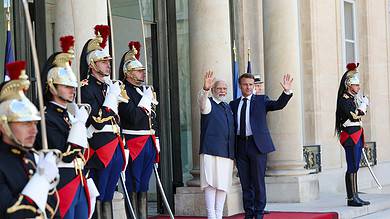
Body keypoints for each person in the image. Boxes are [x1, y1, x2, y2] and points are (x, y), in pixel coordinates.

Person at [37, 35, 98, 218]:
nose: (73, 90)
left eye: (73, 86)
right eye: (66, 86)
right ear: (52, 86)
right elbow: (65, 152)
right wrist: (79, 124)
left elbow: (84, 150)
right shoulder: (46, 117)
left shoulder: (69, 115)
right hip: (62, 180)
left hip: (79, 178)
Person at [0, 60, 60, 218]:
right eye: (25, 123)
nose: (34, 130)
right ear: (3, 125)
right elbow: (9, 212)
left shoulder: (31, 157)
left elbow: (51, 207)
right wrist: (40, 182)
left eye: (34, 123)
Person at [229, 73, 293, 219]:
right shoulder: (234, 104)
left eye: (251, 84)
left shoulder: (261, 100)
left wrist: (286, 92)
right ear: (240, 86)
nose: (248, 87)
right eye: (245, 84)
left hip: (257, 146)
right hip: (240, 145)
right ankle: (249, 212)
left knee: (258, 181)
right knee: (245, 183)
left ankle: (259, 212)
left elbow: (278, 105)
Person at [80, 25, 127, 218]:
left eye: (108, 61)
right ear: (92, 64)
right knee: (98, 194)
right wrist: (110, 99)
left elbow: (118, 118)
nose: (108, 65)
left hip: (115, 144)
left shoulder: (108, 87)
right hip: (100, 147)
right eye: (103, 62)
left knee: (109, 194)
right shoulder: (86, 88)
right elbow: (97, 120)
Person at [118, 41, 159, 219]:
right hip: (134, 142)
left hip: (148, 141)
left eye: (142, 70)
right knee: (133, 183)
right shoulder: (123, 90)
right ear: (128, 73)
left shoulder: (144, 90)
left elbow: (153, 119)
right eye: (138, 70)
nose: (142, 72)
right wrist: (145, 102)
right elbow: (133, 117)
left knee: (144, 185)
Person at [198, 70, 234, 219]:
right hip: (210, 150)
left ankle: (219, 215)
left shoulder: (227, 107)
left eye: (224, 89)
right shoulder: (208, 104)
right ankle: (211, 215)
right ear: (213, 89)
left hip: (227, 152)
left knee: (223, 185)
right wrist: (205, 89)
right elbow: (202, 102)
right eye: (219, 88)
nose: (222, 91)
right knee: (211, 184)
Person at [335, 63, 370, 207]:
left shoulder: (352, 99)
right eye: (356, 85)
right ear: (349, 85)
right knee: (352, 166)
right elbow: (355, 116)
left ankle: (355, 195)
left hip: (356, 135)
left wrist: (361, 104)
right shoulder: (344, 99)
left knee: (355, 166)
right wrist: (363, 106)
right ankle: (351, 198)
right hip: (350, 136)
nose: (358, 87)